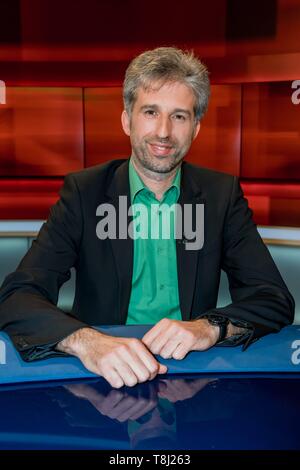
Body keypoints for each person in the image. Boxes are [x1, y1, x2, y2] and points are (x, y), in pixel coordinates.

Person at [0, 47, 295, 389]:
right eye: (151, 112)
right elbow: (16, 296)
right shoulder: (85, 193)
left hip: (192, 376)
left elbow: (273, 298)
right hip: (102, 375)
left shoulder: (221, 195)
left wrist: (209, 327)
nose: (164, 132)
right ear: (127, 120)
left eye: (180, 116)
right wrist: (87, 342)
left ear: (196, 128)